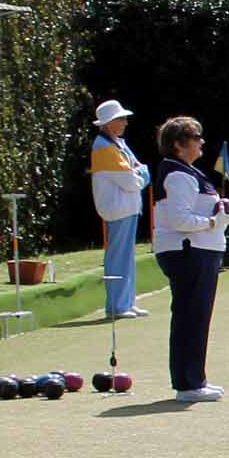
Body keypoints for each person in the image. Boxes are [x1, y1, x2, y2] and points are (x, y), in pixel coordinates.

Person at [150, 115, 229, 402]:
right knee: (190, 316)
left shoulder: (188, 172)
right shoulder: (177, 175)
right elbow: (179, 220)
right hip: (187, 251)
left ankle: (194, 380)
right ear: (178, 144)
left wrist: (220, 215)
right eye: (195, 137)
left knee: (197, 316)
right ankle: (187, 385)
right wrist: (214, 221)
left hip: (200, 250)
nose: (202, 142)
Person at [89, 99, 150, 320]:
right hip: (118, 208)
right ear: (109, 123)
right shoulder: (104, 147)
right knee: (118, 257)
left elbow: (140, 171)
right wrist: (141, 173)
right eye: (121, 118)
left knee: (127, 256)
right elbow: (132, 180)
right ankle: (117, 305)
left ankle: (127, 302)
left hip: (128, 207)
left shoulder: (117, 144)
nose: (125, 122)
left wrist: (140, 173)